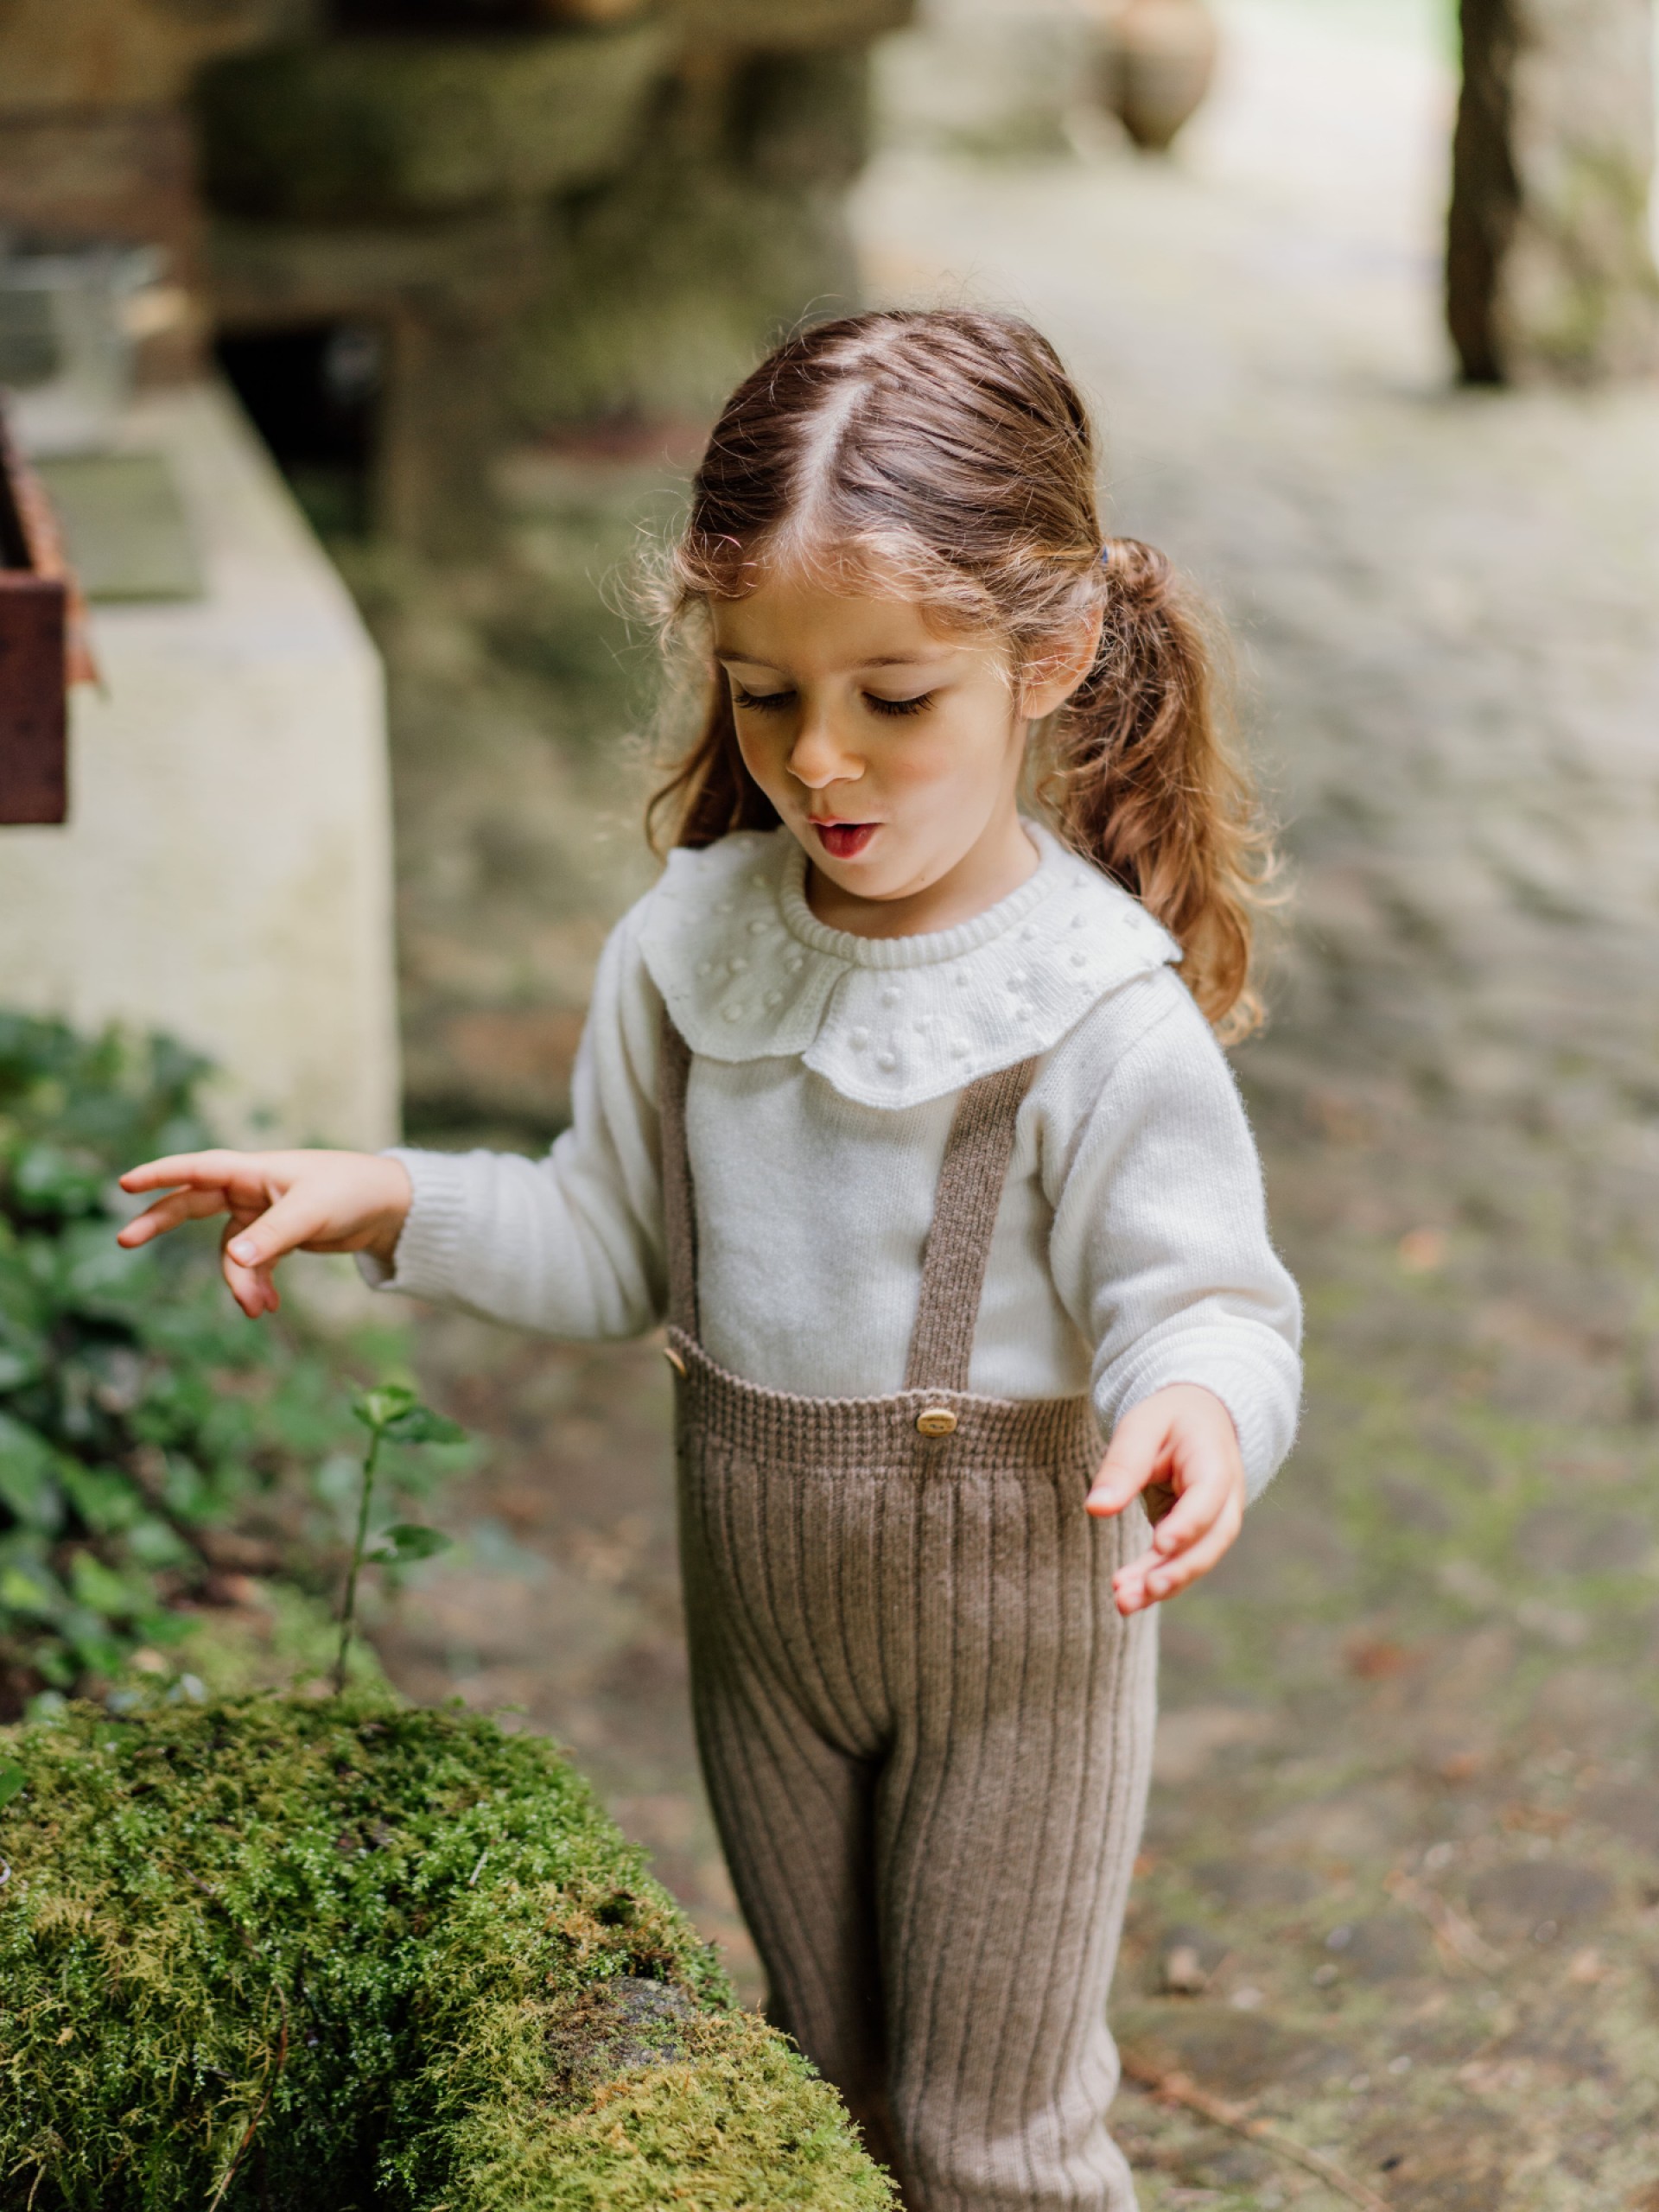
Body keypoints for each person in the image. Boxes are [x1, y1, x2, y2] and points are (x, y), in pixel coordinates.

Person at [119, 309, 1301, 2212]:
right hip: (763, 1620)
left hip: (1018, 1640)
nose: (817, 758)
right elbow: (607, 1238)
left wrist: (1194, 1401)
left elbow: (1214, 1298)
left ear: (1050, 653)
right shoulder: (690, 946)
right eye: (764, 692)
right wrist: (384, 1191)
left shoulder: (1094, 1010)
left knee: (993, 2133)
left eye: (893, 699)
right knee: (814, 2087)